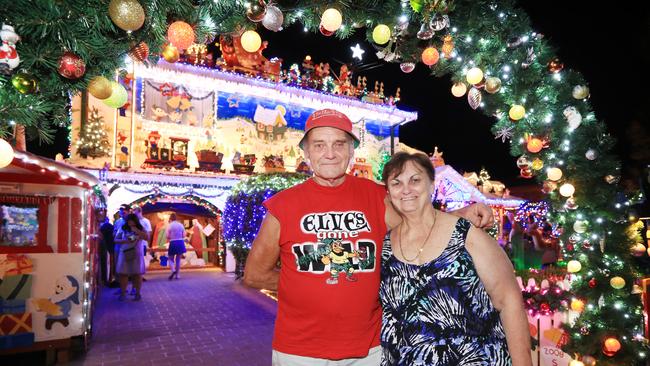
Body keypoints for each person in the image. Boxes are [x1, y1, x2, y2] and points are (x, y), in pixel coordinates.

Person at [243, 109, 494, 365]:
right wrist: (306, 286)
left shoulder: (376, 196)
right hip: (298, 351)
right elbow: (254, 275)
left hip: (368, 350)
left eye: (339, 144)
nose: (330, 153)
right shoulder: (282, 206)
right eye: (319, 145)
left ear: (351, 151)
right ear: (306, 153)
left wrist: (460, 213)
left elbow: (419, 226)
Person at [380, 152, 531, 365]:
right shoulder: (386, 245)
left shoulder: (467, 236)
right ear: (389, 193)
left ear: (432, 185)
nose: (406, 189)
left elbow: (509, 302)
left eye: (415, 180)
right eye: (397, 183)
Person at [114, 213, 147, 301]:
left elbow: (146, 237)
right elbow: (115, 239)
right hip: (124, 253)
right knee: (123, 274)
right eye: (128, 221)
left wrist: (137, 230)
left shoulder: (140, 228)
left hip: (136, 253)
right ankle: (123, 293)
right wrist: (124, 240)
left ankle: (137, 293)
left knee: (137, 274)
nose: (130, 222)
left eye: (132, 221)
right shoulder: (123, 228)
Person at [133, 206, 152, 281]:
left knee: (142, 259)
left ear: (140, 212)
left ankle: (140, 275)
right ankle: (135, 275)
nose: (135, 215)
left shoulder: (146, 221)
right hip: (133, 243)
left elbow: (148, 232)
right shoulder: (133, 221)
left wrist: (148, 242)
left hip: (143, 243)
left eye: (136, 213)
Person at [166, 213, 186, 280]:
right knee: (178, 260)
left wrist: (172, 236)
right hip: (180, 242)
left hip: (173, 242)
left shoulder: (169, 226)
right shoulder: (181, 225)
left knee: (170, 258)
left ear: (170, 219)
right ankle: (177, 275)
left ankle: (173, 270)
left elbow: (167, 236)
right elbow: (184, 235)